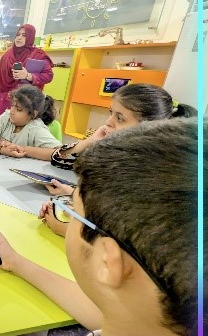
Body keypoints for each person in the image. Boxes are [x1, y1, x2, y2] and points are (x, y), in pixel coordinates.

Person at [0, 118, 204, 336]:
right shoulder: (152, 324)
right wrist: (17, 262)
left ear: (108, 261)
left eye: (72, 211)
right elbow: (103, 311)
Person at [39, 83, 198, 236]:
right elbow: (58, 160)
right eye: (111, 113)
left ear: (149, 127)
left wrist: (68, 230)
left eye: (120, 118)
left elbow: (129, 236)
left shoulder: (155, 175)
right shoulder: (121, 156)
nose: (108, 122)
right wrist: (72, 192)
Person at [0, 24, 53, 118]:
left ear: (30, 37)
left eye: (24, 35)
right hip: (5, 99)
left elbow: (48, 76)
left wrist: (28, 75)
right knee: (2, 125)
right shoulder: (7, 56)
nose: (19, 38)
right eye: (18, 35)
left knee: (20, 125)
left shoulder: (38, 55)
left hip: (25, 101)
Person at [0, 84, 60, 160]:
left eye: (19, 109)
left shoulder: (36, 128)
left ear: (33, 114)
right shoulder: (6, 117)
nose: (12, 111)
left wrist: (20, 149)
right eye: (12, 105)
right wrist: (2, 149)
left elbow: (59, 153)